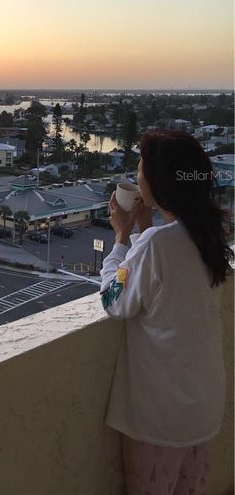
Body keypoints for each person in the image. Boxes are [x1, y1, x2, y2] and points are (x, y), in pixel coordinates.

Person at [100, 130, 232, 495]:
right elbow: (164, 271)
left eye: (142, 169)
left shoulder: (157, 246)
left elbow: (115, 299)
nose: (138, 175)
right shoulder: (205, 236)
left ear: (158, 183)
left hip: (162, 420)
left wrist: (120, 239)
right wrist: (143, 229)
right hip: (201, 409)